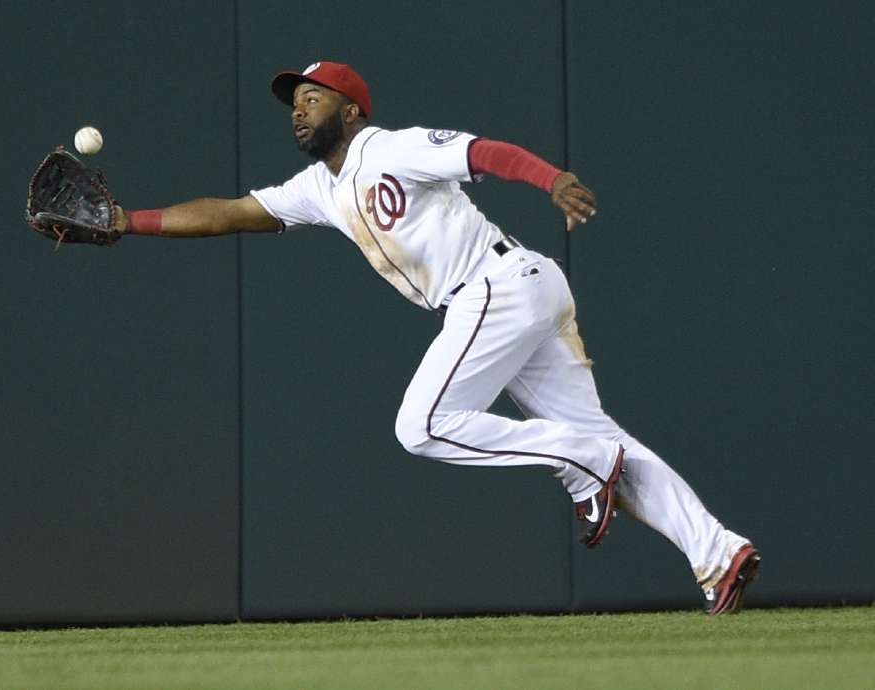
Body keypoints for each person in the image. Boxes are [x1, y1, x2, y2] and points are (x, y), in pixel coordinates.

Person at [114, 61, 760, 614]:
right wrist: (127, 222)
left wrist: (550, 179)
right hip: (519, 292)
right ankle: (719, 551)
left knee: (421, 425)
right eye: (294, 102)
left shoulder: (389, 147)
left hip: (497, 286)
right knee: (605, 441)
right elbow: (229, 213)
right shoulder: (318, 188)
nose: (298, 111)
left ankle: (581, 462)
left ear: (352, 108)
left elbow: (481, 152)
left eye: (312, 98)